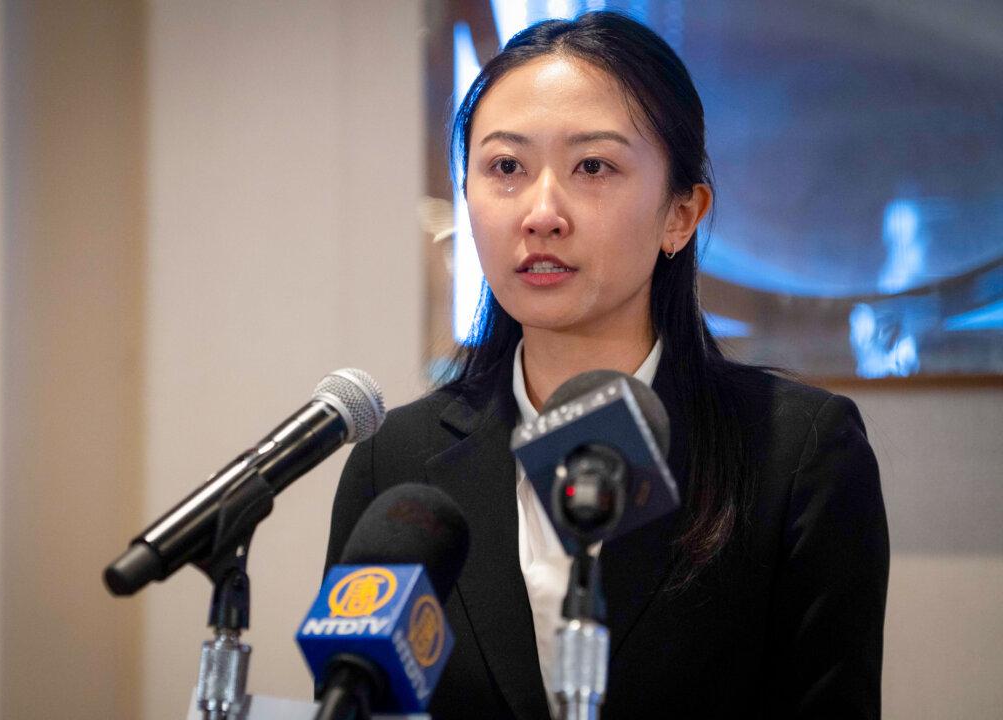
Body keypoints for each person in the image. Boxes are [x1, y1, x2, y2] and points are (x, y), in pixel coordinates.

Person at [325, 11, 888, 720]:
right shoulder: (395, 464)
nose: (541, 212)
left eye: (593, 166)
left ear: (681, 214)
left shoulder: (796, 454)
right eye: (506, 167)